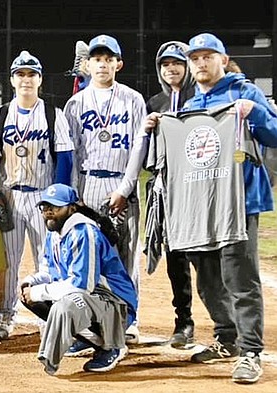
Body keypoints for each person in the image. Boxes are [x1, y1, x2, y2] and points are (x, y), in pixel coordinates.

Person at [144, 32, 277, 384]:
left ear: (222, 59)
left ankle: (250, 352)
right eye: (195, 58)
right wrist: (155, 129)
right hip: (200, 206)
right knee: (207, 282)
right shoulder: (185, 109)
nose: (201, 63)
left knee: (240, 279)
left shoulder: (244, 93)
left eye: (208, 56)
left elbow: (275, 134)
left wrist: (257, 114)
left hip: (239, 201)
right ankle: (227, 338)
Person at [0, 51, 74, 341]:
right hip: (9, 197)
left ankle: (51, 318)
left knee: (48, 263)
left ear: (40, 80)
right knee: (7, 263)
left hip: (42, 198)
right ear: (11, 80)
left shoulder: (52, 114)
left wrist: (58, 201)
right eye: (20, 74)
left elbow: (65, 158)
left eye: (31, 74)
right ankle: (5, 315)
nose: (26, 79)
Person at [62, 35, 146, 347]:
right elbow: (70, 152)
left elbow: (140, 146)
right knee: (89, 260)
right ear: (88, 64)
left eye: (108, 58)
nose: (102, 64)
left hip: (120, 184)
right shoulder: (75, 104)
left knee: (124, 259)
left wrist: (125, 188)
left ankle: (129, 320)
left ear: (118, 64)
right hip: (86, 185)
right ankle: (92, 324)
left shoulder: (133, 99)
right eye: (96, 59)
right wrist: (74, 195)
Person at [21, 183, 137, 376]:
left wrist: (39, 292)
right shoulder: (54, 233)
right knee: (30, 295)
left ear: (71, 208)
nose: (49, 212)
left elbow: (83, 285)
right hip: (93, 300)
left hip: (117, 305)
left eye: (55, 208)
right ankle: (91, 338)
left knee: (64, 304)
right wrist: (31, 282)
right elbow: (50, 271)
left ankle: (112, 345)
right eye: (45, 207)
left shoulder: (84, 232)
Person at [142, 40, 195, 349]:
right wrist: (149, 128)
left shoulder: (200, 97)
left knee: (207, 260)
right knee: (176, 258)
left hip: (198, 188)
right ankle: (184, 322)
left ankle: (226, 326)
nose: (171, 68)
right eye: (165, 64)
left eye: (177, 62)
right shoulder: (156, 102)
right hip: (168, 190)